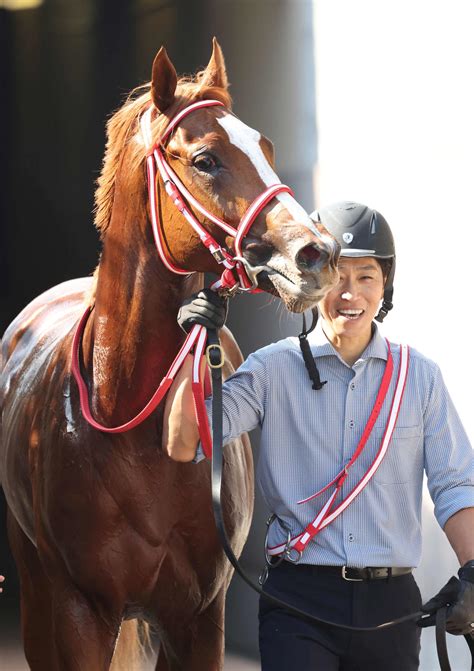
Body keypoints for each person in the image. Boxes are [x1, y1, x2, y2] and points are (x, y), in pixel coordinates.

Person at [163, 201, 474, 670]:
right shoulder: (270, 369)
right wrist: (191, 346)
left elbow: (454, 484)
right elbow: (185, 443)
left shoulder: (420, 377)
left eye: (365, 276)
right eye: (336, 275)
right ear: (314, 282)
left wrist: (472, 570)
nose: (350, 293)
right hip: (299, 602)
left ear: (384, 284)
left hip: (391, 608)